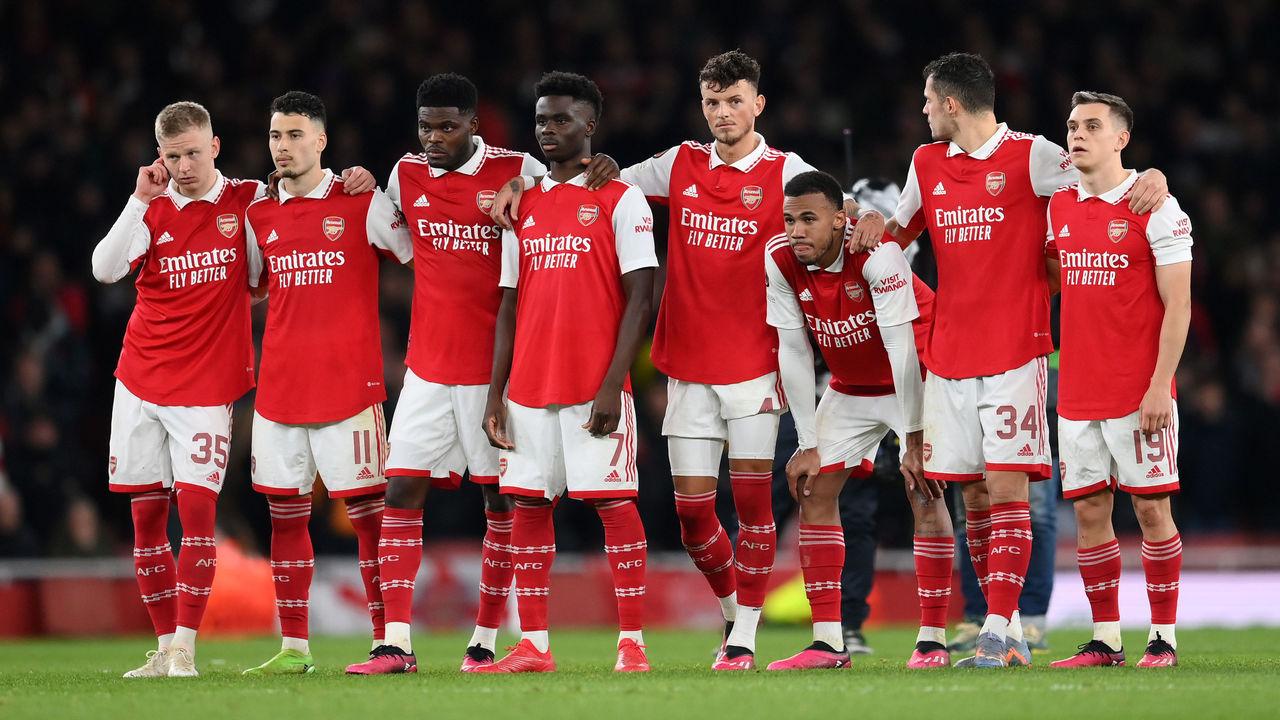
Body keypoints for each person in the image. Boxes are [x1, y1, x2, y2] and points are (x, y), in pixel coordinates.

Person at [493, 49, 884, 669]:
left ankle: (745, 638)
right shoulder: (679, 163)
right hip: (686, 367)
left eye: (734, 102)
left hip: (756, 364)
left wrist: (872, 218)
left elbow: (843, 210)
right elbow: (603, 176)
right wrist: (519, 181)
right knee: (693, 515)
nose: (722, 113)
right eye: (712, 102)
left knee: (753, 507)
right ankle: (735, 613)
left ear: (758, 104)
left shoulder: (786, 169)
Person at [853, 52, 1167, 667]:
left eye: (926, 99)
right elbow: (900, 230)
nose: (921, 111)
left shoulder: (1032, 155)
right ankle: (1011, 633)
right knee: (972, 501)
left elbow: (1107, 174)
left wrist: (1151, 175)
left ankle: (996, 628)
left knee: (1007, 491)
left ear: (950, 103)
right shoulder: (926, 161)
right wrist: (870, 222)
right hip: (948, 356)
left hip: (1018, 354)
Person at [91, 101, 373, 678]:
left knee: (198, 517)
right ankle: (165, 645)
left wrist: (355, 179)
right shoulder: (152, 208)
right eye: (172, 156)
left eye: (193, 152)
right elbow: (103, 269)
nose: (184, 165)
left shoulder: (249, 202)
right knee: (146, 521)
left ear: (215, 146)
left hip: (207, 388)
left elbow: (268, 270)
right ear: (160, 158)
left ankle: (187, 650)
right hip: (139, 380)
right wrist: (138, 198)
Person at [344, 74, 548, 676]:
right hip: (428, 368)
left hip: (494, 373)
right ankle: (395, 644)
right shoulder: (406, 174)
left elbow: (579, 175)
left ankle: (485, 638)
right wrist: (354, 184)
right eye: (426, 126)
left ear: (473, 125)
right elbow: (392, 235)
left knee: (499, 502)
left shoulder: (516, 166)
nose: (434, 138)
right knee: (401, 490)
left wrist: (525, 180)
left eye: (447, 126)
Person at [478, 71, 657, 674]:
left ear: (591, 126)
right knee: (528, 508)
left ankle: (631, 642)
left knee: (614, 505)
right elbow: (508, 301)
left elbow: (640, 297)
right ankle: (534, 645)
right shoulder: (520, 202)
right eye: (541, 121)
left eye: (561, 120)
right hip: (528, 385)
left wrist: (614, 381)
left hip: (593, 384)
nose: (549, 130)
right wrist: (495, 392)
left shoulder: (621, 197)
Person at [240, 91, 413, 675]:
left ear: (321, 141)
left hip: (349, 390)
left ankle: (388, 642)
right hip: (280, 391)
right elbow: (251, 285)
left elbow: (413, 252)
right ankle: (293, 648)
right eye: (275, 137)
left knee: (369, 520)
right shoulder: (257, 215)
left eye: (294, 135)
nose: (283, 147)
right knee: (284, 519)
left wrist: (382, 194)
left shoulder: (359, 201)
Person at [763, 171, 952, 669]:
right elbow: (793, 351)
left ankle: (932, 640)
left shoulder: (877, 255)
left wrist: (912, 440)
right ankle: (828, 643)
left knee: (924, 487)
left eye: (809, 219)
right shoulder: (780, 258)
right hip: (850, 384)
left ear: (840, 221)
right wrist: (806, 441)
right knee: (813, 488)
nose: (796, 230)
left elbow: (901, 348)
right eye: (789, 219)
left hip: (917, 370)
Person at [1045, 91, 1191, 668]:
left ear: (1121, 139)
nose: (1076, 134)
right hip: (1077, 391)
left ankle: (1163, 639)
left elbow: (1177, 306)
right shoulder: (1059, 205)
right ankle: (1106, 639)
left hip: (1140, 389)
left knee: (1152, 511)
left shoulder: (1157, 206)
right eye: (1072, 126)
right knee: (1088, 515)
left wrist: (1161, 385)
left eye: (1091, 126)